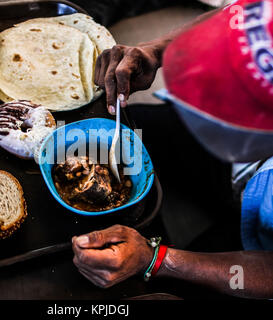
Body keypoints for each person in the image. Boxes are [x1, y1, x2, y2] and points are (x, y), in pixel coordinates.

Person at [71, 0, 273, 299]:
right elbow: (237, 15)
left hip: (261, 254)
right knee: (123, 133)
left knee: (155, 290)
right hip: (244, 170)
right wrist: (156, 49)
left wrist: (158, 259)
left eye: (226, 107)